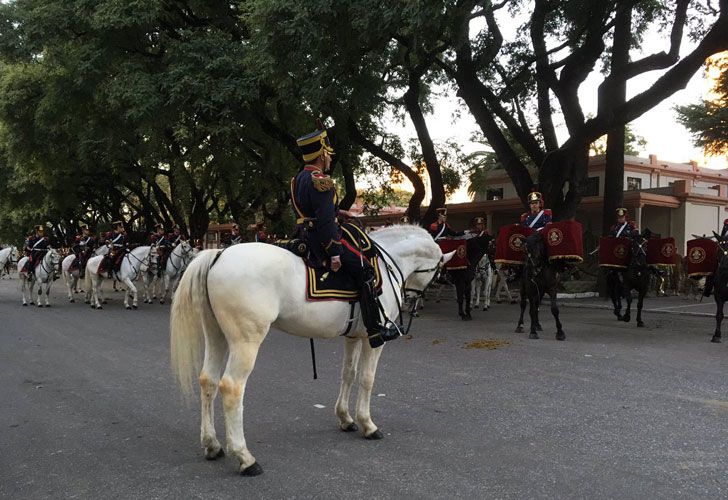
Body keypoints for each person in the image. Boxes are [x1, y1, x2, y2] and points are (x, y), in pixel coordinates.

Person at [291, 120, 400, 348]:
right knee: (366, 270)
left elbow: (313, 210)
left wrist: (338, 210)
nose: (330, 157)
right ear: (322, 154)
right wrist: (335, 252)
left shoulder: (298, 179)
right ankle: (374, 330)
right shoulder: (321, 181)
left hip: (303, 234)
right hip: (321, 239)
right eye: (328, 153)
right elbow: (325, 222)